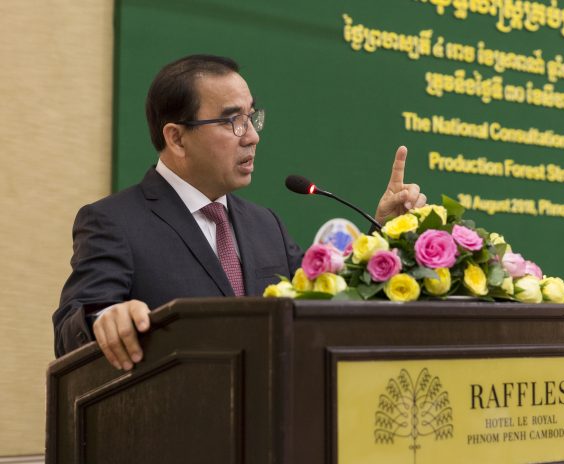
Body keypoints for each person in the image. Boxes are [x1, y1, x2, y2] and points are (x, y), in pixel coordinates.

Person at [53, 54, 426, 370]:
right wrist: (104, 319)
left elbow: (327, 304)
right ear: (176, 138)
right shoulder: (114, 222)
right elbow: (71, 329)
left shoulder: (266, 225)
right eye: (232, 121)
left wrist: (385, 231)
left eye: (251, 117)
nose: (252, 136)